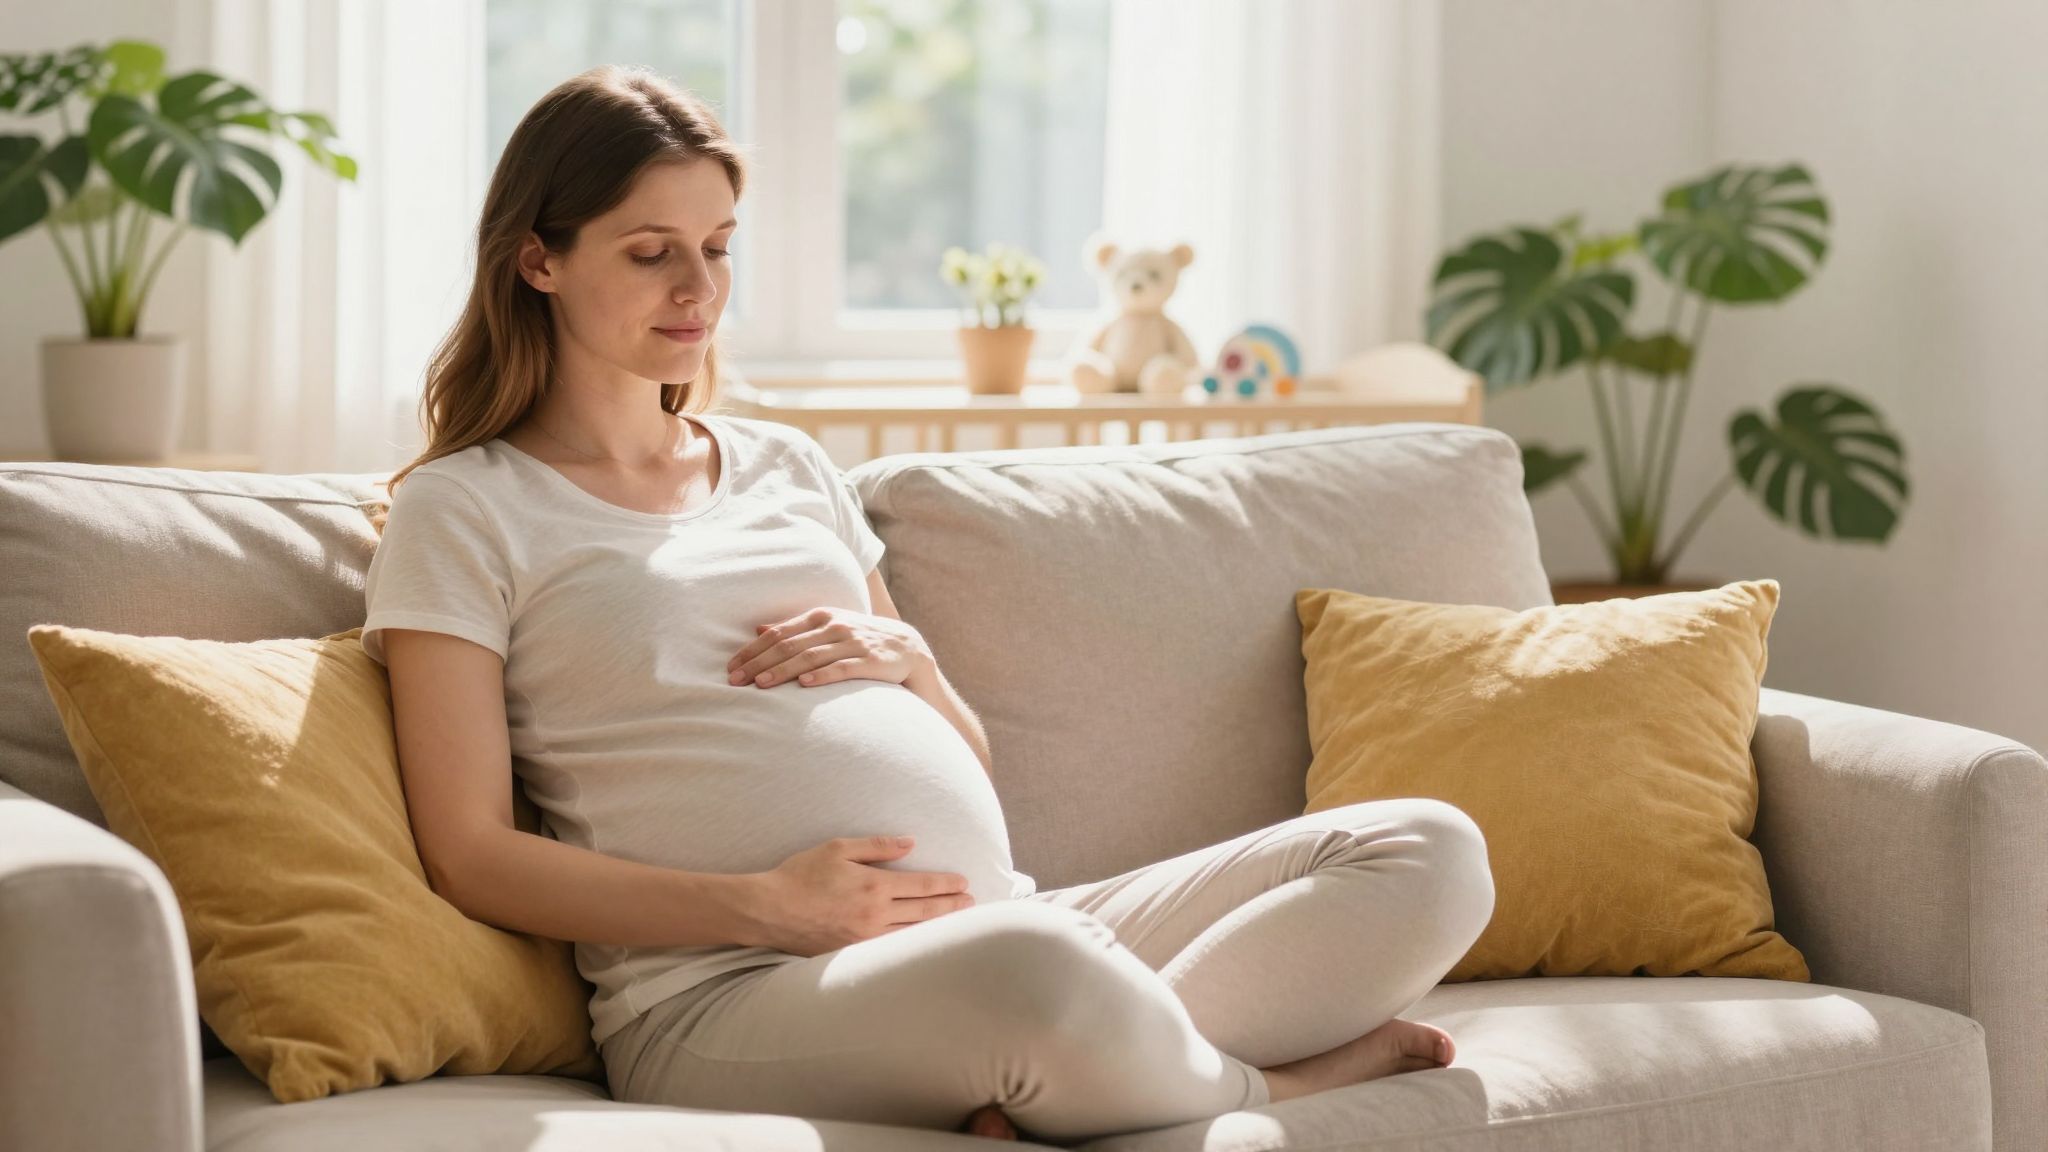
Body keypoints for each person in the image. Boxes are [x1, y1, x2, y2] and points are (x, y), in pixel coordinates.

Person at [361, 64, 1496, 1145]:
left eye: (716, 248)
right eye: (651, 252)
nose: (698, 290)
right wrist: (764, 907)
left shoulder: (785, 466)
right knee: (1035, 980)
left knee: (1428, 848)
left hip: (1007, 927)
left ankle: (1100, 1069)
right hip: (734, 992)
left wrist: (911, 663)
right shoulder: (465, 510)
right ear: (537, 261)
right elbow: (470, 854)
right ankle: (1270, 1083)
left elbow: (965, 756)